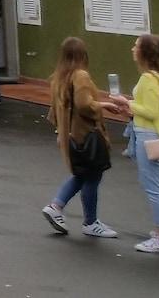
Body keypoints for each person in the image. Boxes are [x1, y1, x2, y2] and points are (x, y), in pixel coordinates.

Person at [102, 33, 159, 254]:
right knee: (157, 187)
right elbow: (151, 108)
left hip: (148, 135)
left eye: (136, 46)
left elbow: (151, 111)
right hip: (152, 133)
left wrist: (128, 104)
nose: (132, 49)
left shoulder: (148, 79)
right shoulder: (157, 77)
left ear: (146, 52)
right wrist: (131, 106)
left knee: (153, 188)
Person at [41, 37, 117, 239]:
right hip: (86, 134)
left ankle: (56, 206)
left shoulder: (59, 77)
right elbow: (84, 104)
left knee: (81, 175)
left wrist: (60, 132)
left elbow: (54, 111)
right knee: (93, 175)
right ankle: (90, 222)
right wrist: (104, 106)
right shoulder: (80, 75)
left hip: (70, 137)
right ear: (82, 55)